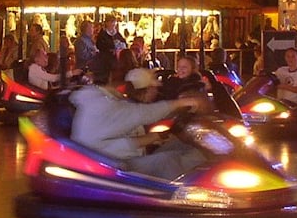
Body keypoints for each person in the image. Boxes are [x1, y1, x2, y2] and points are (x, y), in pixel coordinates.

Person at [69, 67, 207, 180]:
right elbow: (144, 114)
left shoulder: (107, 103)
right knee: (166, 160)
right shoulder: (104, 106)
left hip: (115, 158)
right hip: (111, 166)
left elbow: (125, 142)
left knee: (182, 146)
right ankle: (188, 196)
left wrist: (160, 136)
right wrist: (181, 103)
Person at [95, 15, 128, 84]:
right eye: (111, 22)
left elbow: (124, 43)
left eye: (114, 22)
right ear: (107, 23)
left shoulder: (117, 34)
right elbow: (99, 46)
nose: (113, 24)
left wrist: (121, 46)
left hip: (117, 60)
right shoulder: (102, 35)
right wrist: (110, 49)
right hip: (106, 60)